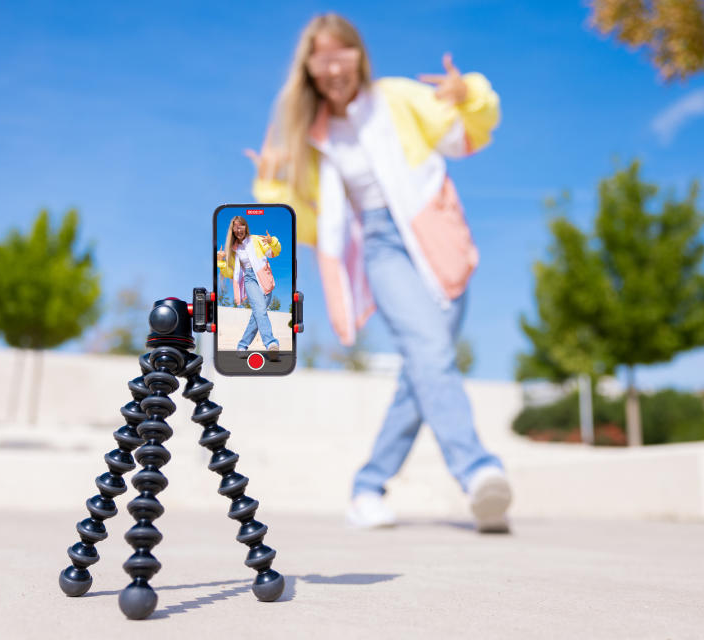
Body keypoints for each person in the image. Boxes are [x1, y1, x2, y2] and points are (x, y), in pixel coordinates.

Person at [245, 13, 512, 532]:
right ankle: (479, 472)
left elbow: (463, 136)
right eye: (321, 58)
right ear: (309, 69)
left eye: (342, 54)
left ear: (359, 57)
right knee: (431, 354)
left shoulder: (397, 98)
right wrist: (274, 188)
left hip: (439, 238)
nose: (334, 67)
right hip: (381, 247)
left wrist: (469, 94)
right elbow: (309, 224)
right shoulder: (311, 136)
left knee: (423, 372)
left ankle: (367, 487)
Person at [218, 215, 283, 355]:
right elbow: (231, 273)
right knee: (260, 310)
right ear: (233, 230)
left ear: (245, 227)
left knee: (258, 314)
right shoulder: (234, 249)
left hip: (264, 277)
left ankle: (242, 345)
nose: (238, 229)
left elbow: (274, 253)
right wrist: (221, 261)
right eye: (235, 227)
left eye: (240, 225)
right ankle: (271, 343)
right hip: (249, 279)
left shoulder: (256, 240)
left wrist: (272, 241)